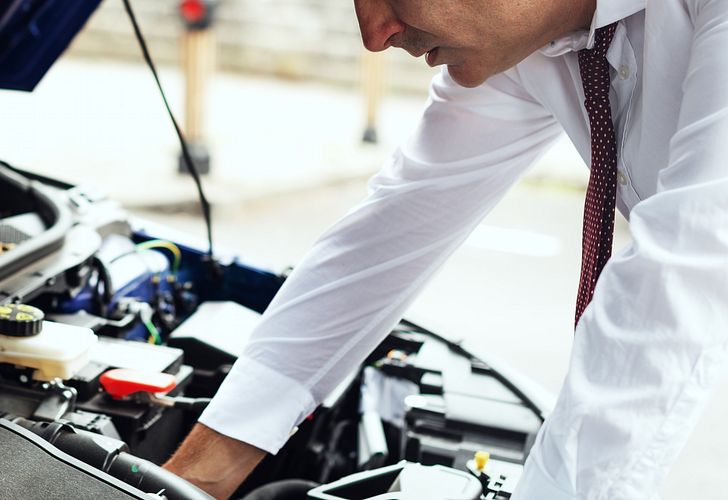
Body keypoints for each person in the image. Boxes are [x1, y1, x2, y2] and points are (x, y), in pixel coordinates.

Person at [164, 0, 728, 498]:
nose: (374, 32)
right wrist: (194, 477)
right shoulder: (527, 41)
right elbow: (395, 226)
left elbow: (674, 284)